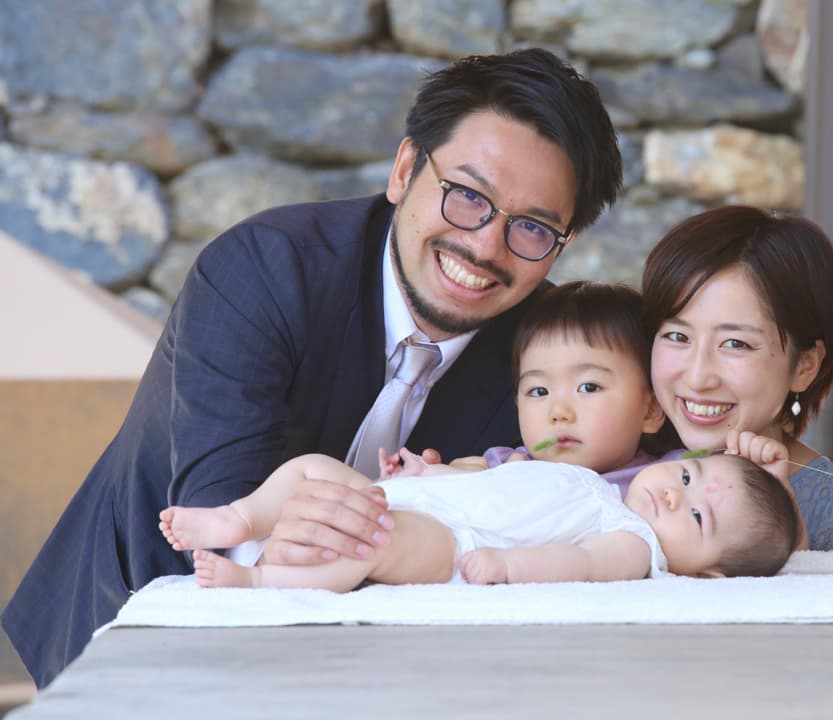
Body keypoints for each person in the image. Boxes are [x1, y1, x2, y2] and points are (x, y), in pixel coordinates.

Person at [3, 48, 623, 688]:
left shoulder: (548, 347)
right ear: (406, 168)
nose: (486, 245)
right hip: (137, 614)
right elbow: (227, 518)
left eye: (532, 228)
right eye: (468, 196)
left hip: (372, 669)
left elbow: (618, 486)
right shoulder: (262, 269)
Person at [159, 434, 800, 589]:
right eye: (686, 475)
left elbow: (577, 563)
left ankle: (257, 581)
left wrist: (510, 566)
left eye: (693, 518)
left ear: (706, 573)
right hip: (436, 496)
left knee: (368, 540)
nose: (671, 494)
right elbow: (502, 476)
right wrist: (429, 472)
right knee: (313, 467)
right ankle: (239, 517)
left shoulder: (635, 543)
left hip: (452, 536)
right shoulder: (599, 483)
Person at [641, 205, 833, 554]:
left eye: (735, 344)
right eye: (677, 336)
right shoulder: (608, 449)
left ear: (805, 366)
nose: (698, 376)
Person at [469, 280, 666, 493]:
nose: (559, 412)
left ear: (651, 409)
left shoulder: (673, 481)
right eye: (539, 391)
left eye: (589, 387)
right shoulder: (500, 470)